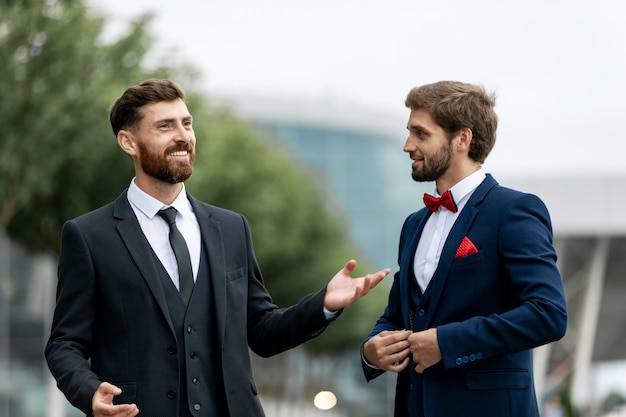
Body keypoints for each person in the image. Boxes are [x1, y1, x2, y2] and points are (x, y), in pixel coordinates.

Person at [45, 78, 390, 417]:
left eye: (187, 123)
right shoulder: (89, 236)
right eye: (165, 126)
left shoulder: (230, 228)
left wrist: (324, 304)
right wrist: (89, 392)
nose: (183, 136)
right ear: (128, 142)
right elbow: (64, 344)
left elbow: (263, 332)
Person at [361, 81, 568, 417]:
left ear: (462, 139)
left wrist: (446, 343)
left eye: (420, 134)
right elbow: (398, 316)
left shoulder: (513, 211)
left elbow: (548, 314)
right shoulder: (414, 224)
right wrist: (373, 348)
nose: (407, 145)